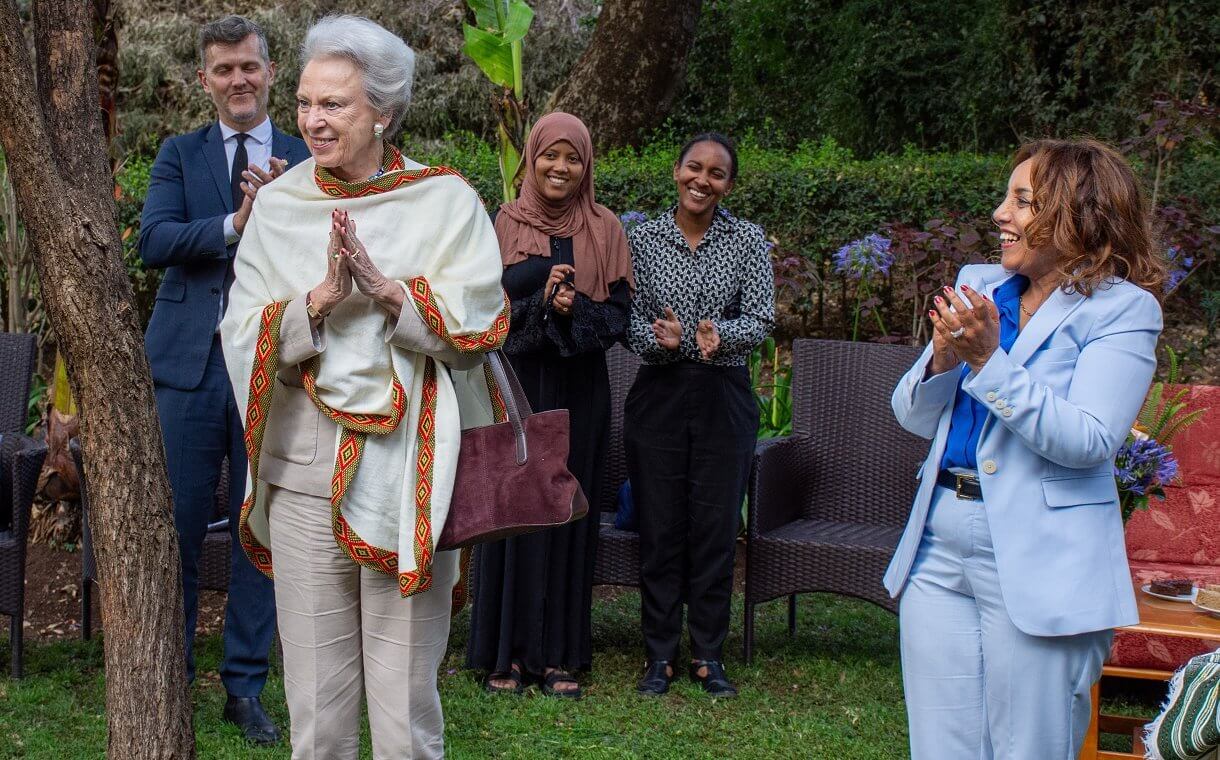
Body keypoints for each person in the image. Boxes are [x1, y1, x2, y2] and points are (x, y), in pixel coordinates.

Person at [219, 15, 507, 759]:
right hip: (303, 473)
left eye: (335, 105)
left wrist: (388, 293)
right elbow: (239, 331)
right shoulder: (280, 205)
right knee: (315, 708)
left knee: (407, 705)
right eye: (308, 102)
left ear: (382, 110)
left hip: (414, 475)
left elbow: (481, 323)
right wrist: (315, 301)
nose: (314, 120)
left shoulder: (444, 201)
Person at [886, 138, 1167, 759]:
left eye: (1021, 201)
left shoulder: (1124, 312)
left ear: (1077, 214)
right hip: (938, 542)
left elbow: (1089, 441)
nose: (998, 215)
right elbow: (912, 416)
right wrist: (940, 358)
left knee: (1028, 749)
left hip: (1042, 557)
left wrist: (989, 358)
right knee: (942, 749)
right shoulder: (981, 286)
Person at [138, 15, 308, 745]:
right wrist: (238, 222)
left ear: (271, 72)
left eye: (248, 67)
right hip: (190, 367)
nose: (237, 80)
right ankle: (167, 676)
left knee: (258, 531)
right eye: (223, 69)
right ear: (204, 80)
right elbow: (154, 240)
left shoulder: (306, 154)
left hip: (276, 367)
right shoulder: (181, 154)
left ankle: (245, 688)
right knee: (173, 527)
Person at [466, 112, 633, 699]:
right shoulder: (505, 222)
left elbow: (619, 319)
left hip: (582, 389)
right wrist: (540, 300)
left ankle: (559, 654)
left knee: (566, 508)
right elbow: (485, 311)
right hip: (520, 383)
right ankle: (505, 654)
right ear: (531, 160)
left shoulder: (606, 228)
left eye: (574, 159)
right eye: (550, 156)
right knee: (514, 510)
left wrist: (572, 312)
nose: (561, 168)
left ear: (587, 166)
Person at [624, 133, 774, 698]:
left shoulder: (747, 239)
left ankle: (708, 653)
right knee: (661, 527)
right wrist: (661, 340)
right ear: (676, 171)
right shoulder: (644, 240)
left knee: (713, 529)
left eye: (716, 173)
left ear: (728, 185)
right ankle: (659, 655)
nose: (702, 180)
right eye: (694, 167)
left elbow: (761, 317)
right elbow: (628, 320)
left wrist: (722, 334)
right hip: (658, 395)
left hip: (724, 396)